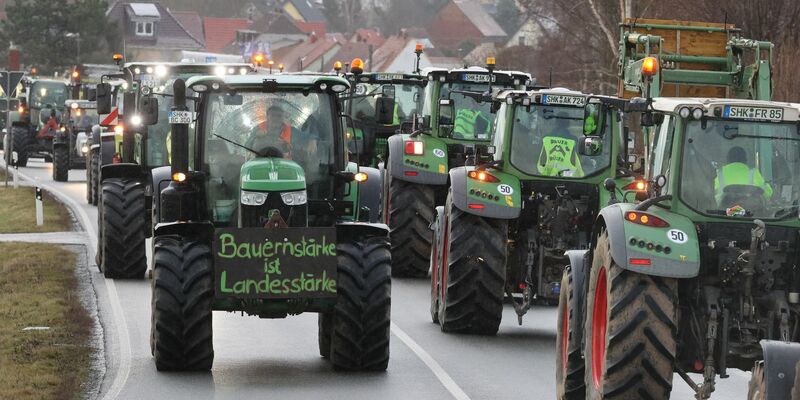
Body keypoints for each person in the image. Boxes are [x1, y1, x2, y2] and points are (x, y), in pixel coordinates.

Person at [537, 112, 584, 177]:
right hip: (569, 180)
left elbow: (537, 157)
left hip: (544, 178)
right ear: (568, 124)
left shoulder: (545, 138)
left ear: (556, 122)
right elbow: (578, 159)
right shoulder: (573, 140)